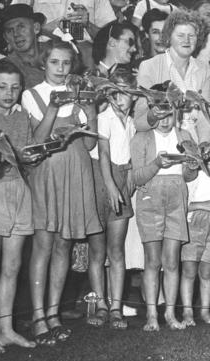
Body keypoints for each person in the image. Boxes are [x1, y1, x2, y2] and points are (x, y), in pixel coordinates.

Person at [22, 40, 101, 345]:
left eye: (66, 63)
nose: (61, 69)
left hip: (77, 171)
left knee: (63, 245)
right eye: (54, 63)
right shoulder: (32, 95)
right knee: (43, 244)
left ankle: (53, 313)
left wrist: (90, 111)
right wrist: (54, 108)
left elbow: (91, 145)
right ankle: (38, 316)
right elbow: (37, 142)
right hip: (47, 173)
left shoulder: (80, 94)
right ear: (44, 63)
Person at [130, 98, 198, 332]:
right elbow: (137, 177)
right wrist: (157, 163)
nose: (165, 121)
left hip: (177, 197)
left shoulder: (185, 136)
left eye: (170, 115)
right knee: (153, 261)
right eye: (160, 115)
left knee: (172, 261)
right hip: (150, 197)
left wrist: (192, 165)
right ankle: (151, 314)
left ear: (177, 114)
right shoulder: (141, 138)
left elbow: (189, 177)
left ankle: (170, 312)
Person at [86, 69, 138, 330]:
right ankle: (100, 305)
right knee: (97, 251)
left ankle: (116, 306)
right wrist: (111, 186)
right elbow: (103, 153)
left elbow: (128, 157)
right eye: (115, 92)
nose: (120, 98)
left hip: (120, 178)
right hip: (100, 180)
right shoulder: (103, 117)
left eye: (127, 93)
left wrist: (126, 180)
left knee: (117, 251)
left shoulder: (130, 122)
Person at [0, 61, 39, 354]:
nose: (9, 92)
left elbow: (27, 156)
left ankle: (6, 329)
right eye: (1, 86)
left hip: (20, 192)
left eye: (14, 87)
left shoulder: (22, 118)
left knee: (12, 266)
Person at [135, 10, 210, 143]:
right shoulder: (149, 66)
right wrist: (153, 115)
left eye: (192, 36)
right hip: (160, 145)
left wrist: (203, 146)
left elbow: (206, 116)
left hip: (192, 144)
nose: (186, 41)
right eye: (180, 35)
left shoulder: (204, 69)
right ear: (168, 37)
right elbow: (139, 121)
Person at [180, 149, 210, 326]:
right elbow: (181, 204)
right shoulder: (194, 176)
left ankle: (205, 311)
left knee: (207, 271)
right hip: (194, 223)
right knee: (189, 270)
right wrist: (202, 205)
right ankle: (187, 311)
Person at [0, 4, 46, 88]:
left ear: (36, 28)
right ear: (6, 38)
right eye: (10, 30)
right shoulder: (4, 69)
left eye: (21, 27)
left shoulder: (56, 53)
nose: (16, 34)